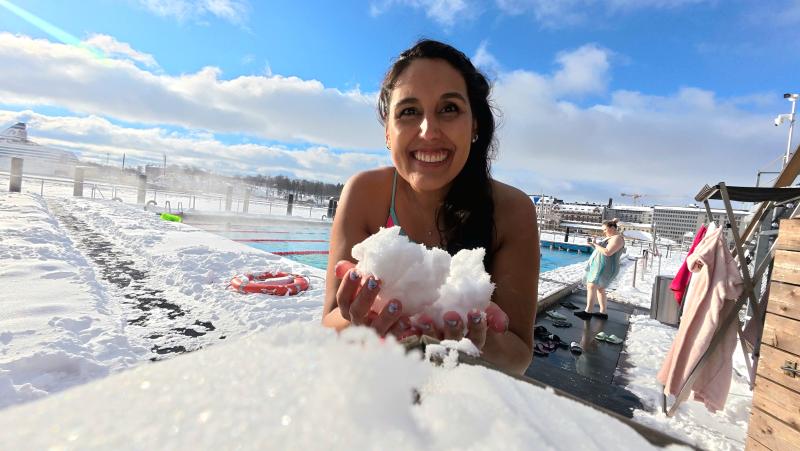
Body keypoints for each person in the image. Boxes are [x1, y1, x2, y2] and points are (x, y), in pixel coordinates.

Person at [321, 39, 540, 374]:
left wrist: (477, 338)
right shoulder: (365, 194)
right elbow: (328, 327)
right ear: (388, 134)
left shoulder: (512, 211)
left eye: (449, 108)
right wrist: (358, 319)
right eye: (409, 112)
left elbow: (519, 356)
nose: (428, 131)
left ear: (475, 124)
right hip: (375, 388)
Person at [575, 219, 625, 320]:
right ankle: (603, 313)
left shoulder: (617, 238)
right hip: (602, 266)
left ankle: (588, 312)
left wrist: (596, 245)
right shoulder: (611, 238)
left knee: (592, 286)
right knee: (600, 289)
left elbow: (607, 252)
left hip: (605, 267)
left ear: (612, 228)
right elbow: (602, 252)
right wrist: (594, 245)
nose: (604, 232)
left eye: (605, 229)